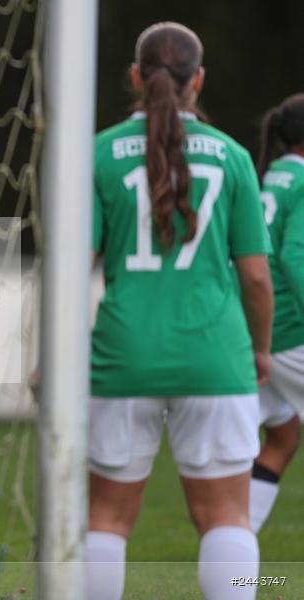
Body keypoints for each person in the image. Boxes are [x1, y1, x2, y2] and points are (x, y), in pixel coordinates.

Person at [86, 22, 272, 600]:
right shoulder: (236, 157)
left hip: (122, 359)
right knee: (225, 518)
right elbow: (257, 278)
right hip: (216, 357)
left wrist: (48, 356)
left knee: (106, 522)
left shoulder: (98, 153)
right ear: (199, 81)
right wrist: (260, 349)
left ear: (137, 78)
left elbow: (69, 270)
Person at [248, 93, 304, 533]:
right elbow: (295, 256)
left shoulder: (272, 175)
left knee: (283, 436)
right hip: (291, 332)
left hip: (263, 332)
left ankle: (234, 541)